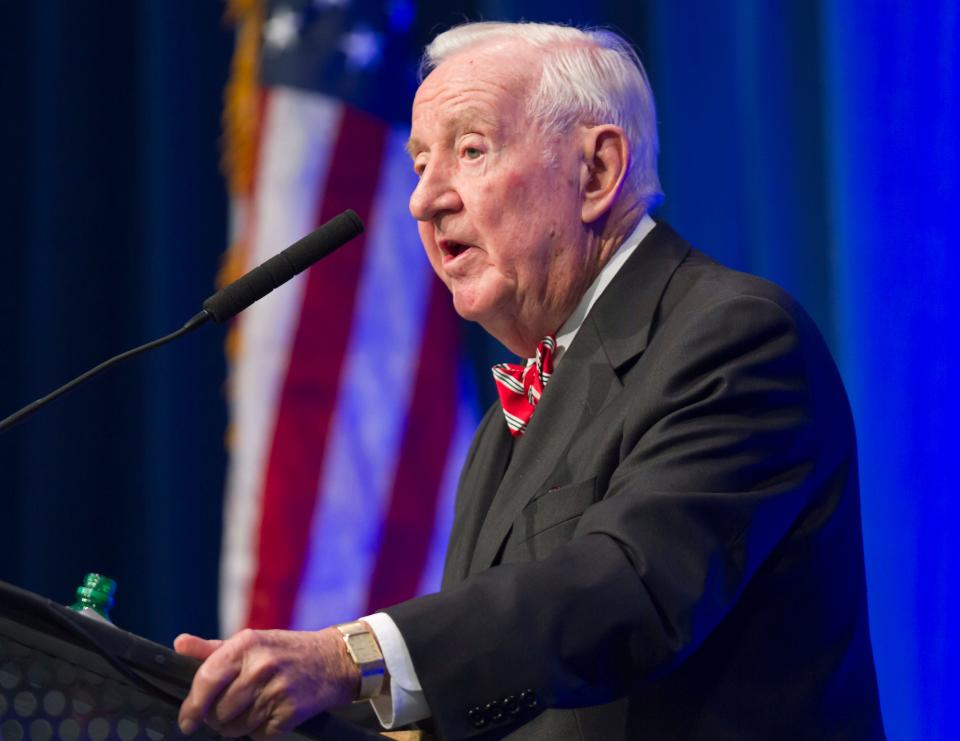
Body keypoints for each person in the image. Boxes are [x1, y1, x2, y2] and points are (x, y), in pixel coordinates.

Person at [176, 21, 884, 740]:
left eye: (470, 150)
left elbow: (627, 591)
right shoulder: (502, 431)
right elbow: (499, 685)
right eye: (421, 163)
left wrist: (347, 656)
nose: (424, 200)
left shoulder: (736, 337)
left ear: (597, 172)